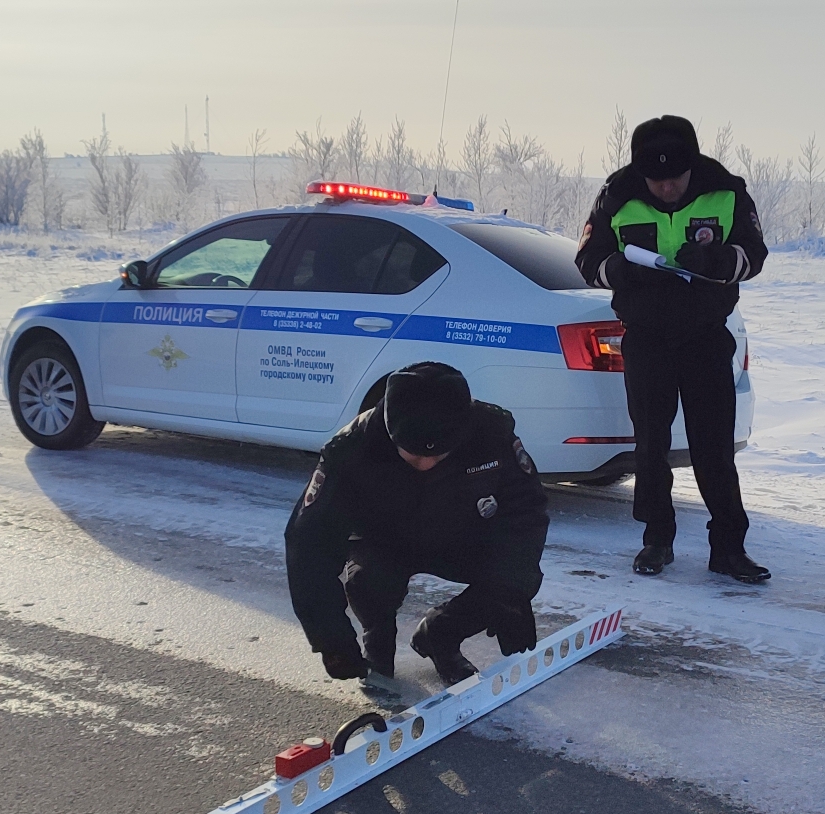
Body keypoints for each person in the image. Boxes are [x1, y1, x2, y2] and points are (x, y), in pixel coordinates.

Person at [573, 115, 771, 584]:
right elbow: (587, 261)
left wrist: (719, 260)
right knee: (651, 447)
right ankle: (656, 539)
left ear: (692, 167)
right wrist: (620, 270)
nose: (666, 189)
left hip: (704, 334)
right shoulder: (616, 194)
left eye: (675, 180)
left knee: (714, 449)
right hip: (646, 337)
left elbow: (754, 254)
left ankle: (728, 547)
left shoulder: (726, 190)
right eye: (655, 181)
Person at [284, 362, 548, 684]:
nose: (425, 464)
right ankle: (376, 639)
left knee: (517, 578)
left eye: (439, 456)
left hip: (462, 537)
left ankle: (441, 634)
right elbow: (309, 545)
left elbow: (525, 515)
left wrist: (512, 596)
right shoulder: (352, 449)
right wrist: (331, 639)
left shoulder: (492, 433)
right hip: (383, 543)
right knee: (369, 582)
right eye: (410, 452)